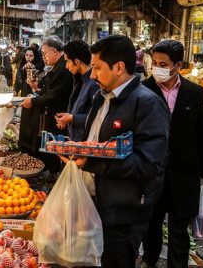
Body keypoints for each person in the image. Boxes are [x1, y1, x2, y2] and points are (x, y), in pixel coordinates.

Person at [68, 35, 171, 268]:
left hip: (124, 212)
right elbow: (95, 141)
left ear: (119, 68)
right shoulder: (100, 97)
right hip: (94, 202)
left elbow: (148, 164)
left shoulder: (147, 104)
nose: (92, 75)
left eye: (96, 68)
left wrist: (91, 162)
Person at [141, 40, 203, 268]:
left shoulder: (194, 92)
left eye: (163, 63)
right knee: (152, 225)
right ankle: (149, 260)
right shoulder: (144, 90)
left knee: (179, 229)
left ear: (178, 65)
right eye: (154, 63)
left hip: (185, 172)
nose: (157, 68)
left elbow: (200, 134)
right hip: (153, 172)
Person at [20, 36, 73, 174]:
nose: (43, 57)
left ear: (54, 51)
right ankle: (52, 172)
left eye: (45, 53)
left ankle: (54, 172)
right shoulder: (57, 67)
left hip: (58, 117)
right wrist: (37, 91)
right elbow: (48, 91)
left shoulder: (62, 69)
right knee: (50, 146)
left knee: (54, 148)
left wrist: (33, 101)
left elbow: (53, 95)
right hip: (52, 115)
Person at [55, 40, 99, 141]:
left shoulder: (93, 84)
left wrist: (72, 118)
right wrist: (68, 119)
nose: (66, 66)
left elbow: (98, 117)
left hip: (86, 143)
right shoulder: (79, 79)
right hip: (75, 139)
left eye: (67, 61)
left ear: (77, 62)